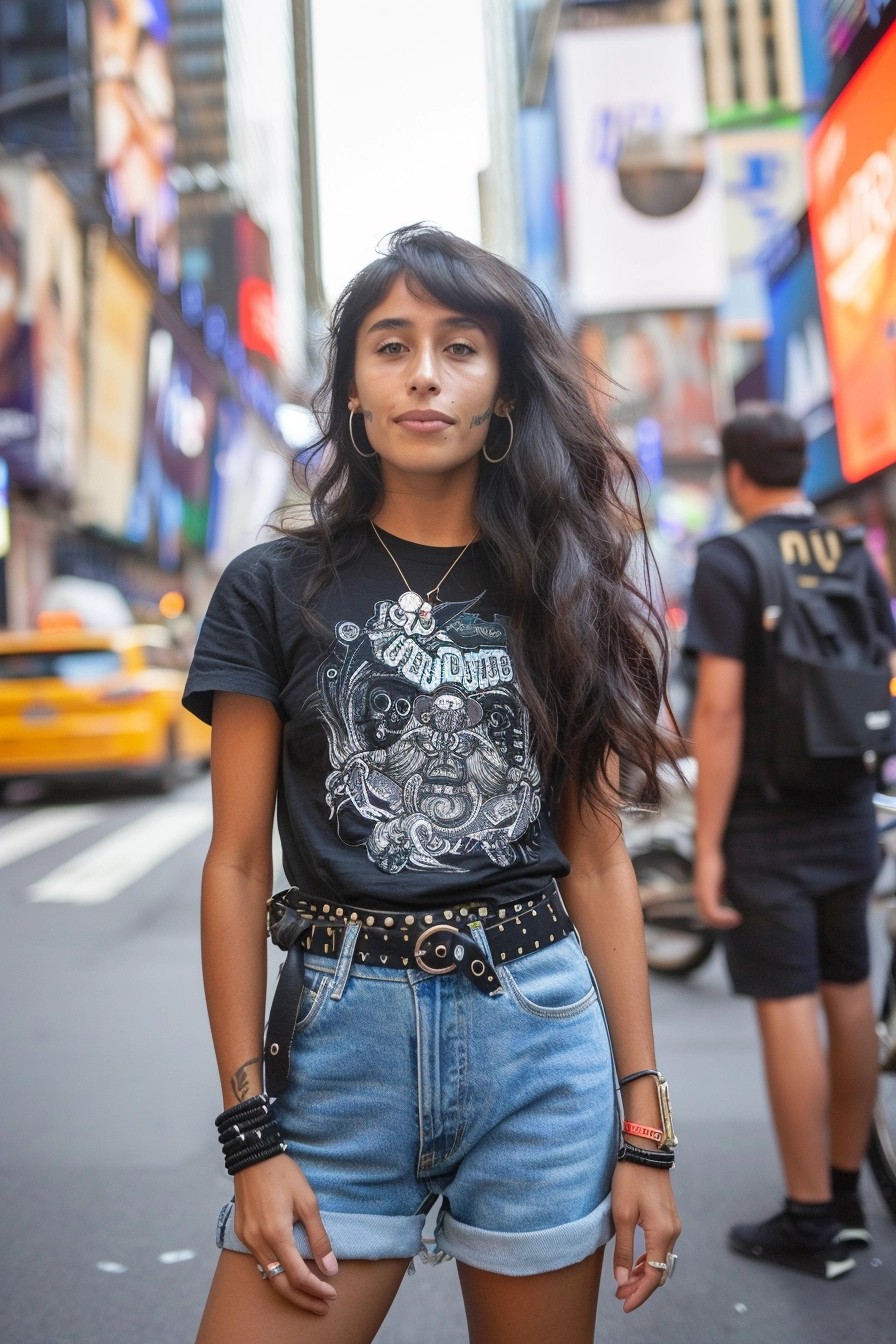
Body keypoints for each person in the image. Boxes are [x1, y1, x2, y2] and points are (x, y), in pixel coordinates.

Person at [183, 225, 681, 1344]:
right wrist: (250, 1135)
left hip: (540, 1040)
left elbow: (598, 862)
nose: (422, 373)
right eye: (389, 345)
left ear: (501, 392)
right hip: (336, 1047)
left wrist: (641, 1127)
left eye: (459, 349)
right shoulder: (272, 587)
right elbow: (232, 863)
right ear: (351, 389)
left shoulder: (563, 588)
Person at [686, 404, 895, 1280]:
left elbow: (720, 710)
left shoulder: (732, 560)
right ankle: (845, 1194)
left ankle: (810, 1216)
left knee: (786, 1010)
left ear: (737, 474)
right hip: (849, 801)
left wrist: (706, 848)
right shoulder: (853, 550)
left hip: (768, 820)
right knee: (850, 994)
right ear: (800, 472)